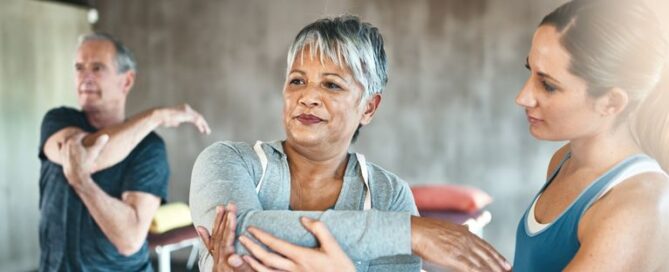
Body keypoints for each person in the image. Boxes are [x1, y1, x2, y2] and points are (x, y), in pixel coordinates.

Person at [190, 15, 511, 272]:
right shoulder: (228, 161)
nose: (308, 97)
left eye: (331, 84)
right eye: (297, 80)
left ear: (368, 107)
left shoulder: (389, 195)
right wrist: (407, 233)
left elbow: (246, 245)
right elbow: (244, 233)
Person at [514, 0, 669, 271]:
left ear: (611, 102)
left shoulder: (637, 206)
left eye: (548, 85)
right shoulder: (563, 160)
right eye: (530, 72)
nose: (523, 97)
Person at [39, 32, 211, 271]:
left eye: (97, 68)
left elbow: (129, 240)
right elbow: (88, 156)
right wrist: (156, 116)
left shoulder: (148, 148)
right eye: (79, 67)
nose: (85, 77)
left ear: (127, 81)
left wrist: (82, 182)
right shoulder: (58, 120)